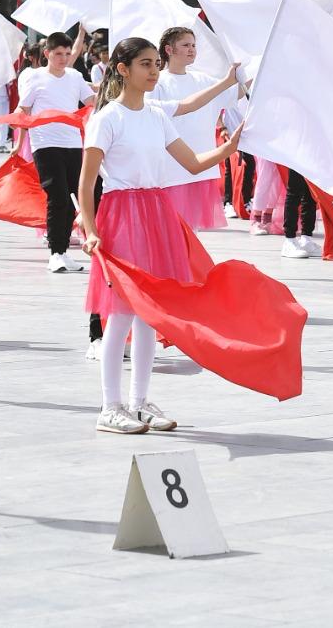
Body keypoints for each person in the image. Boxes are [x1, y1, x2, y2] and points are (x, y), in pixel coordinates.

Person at [78, 38, 243, 435]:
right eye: (145, 64)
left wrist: (232, 145)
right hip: (121, 214)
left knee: (151, 314)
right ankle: (110, 406)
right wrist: (91, 231)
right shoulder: (107, 118)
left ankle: (139, 403)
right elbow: (86, 185)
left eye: (155, 63)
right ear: (123, 69)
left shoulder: (155, 116)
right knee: (120, 315)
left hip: (156, 213)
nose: (154, 71)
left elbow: (192, 163)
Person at [19, 32, 96, 273]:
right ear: (47, 54)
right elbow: (24, 107)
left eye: (66, 53)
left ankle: (64, 251)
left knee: (78, 197)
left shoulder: (74, 77)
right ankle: (56, 253)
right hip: (45, 144)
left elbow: (92, 100)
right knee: (58, 197)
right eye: (58, 54)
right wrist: (15, 119)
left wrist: (114, 96)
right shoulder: (35, 78)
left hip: (73, 144)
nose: (63, 58)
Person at [153, 26, 236, 232]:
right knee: (170, 227)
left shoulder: (202, 79)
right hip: (170, 167)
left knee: (192, 230)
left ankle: (185, 264)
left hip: (200, 163)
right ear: (169, 50)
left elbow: (236, 93)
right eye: (185, 45)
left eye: (193, 45)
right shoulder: (157, 81)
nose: (191, 49)